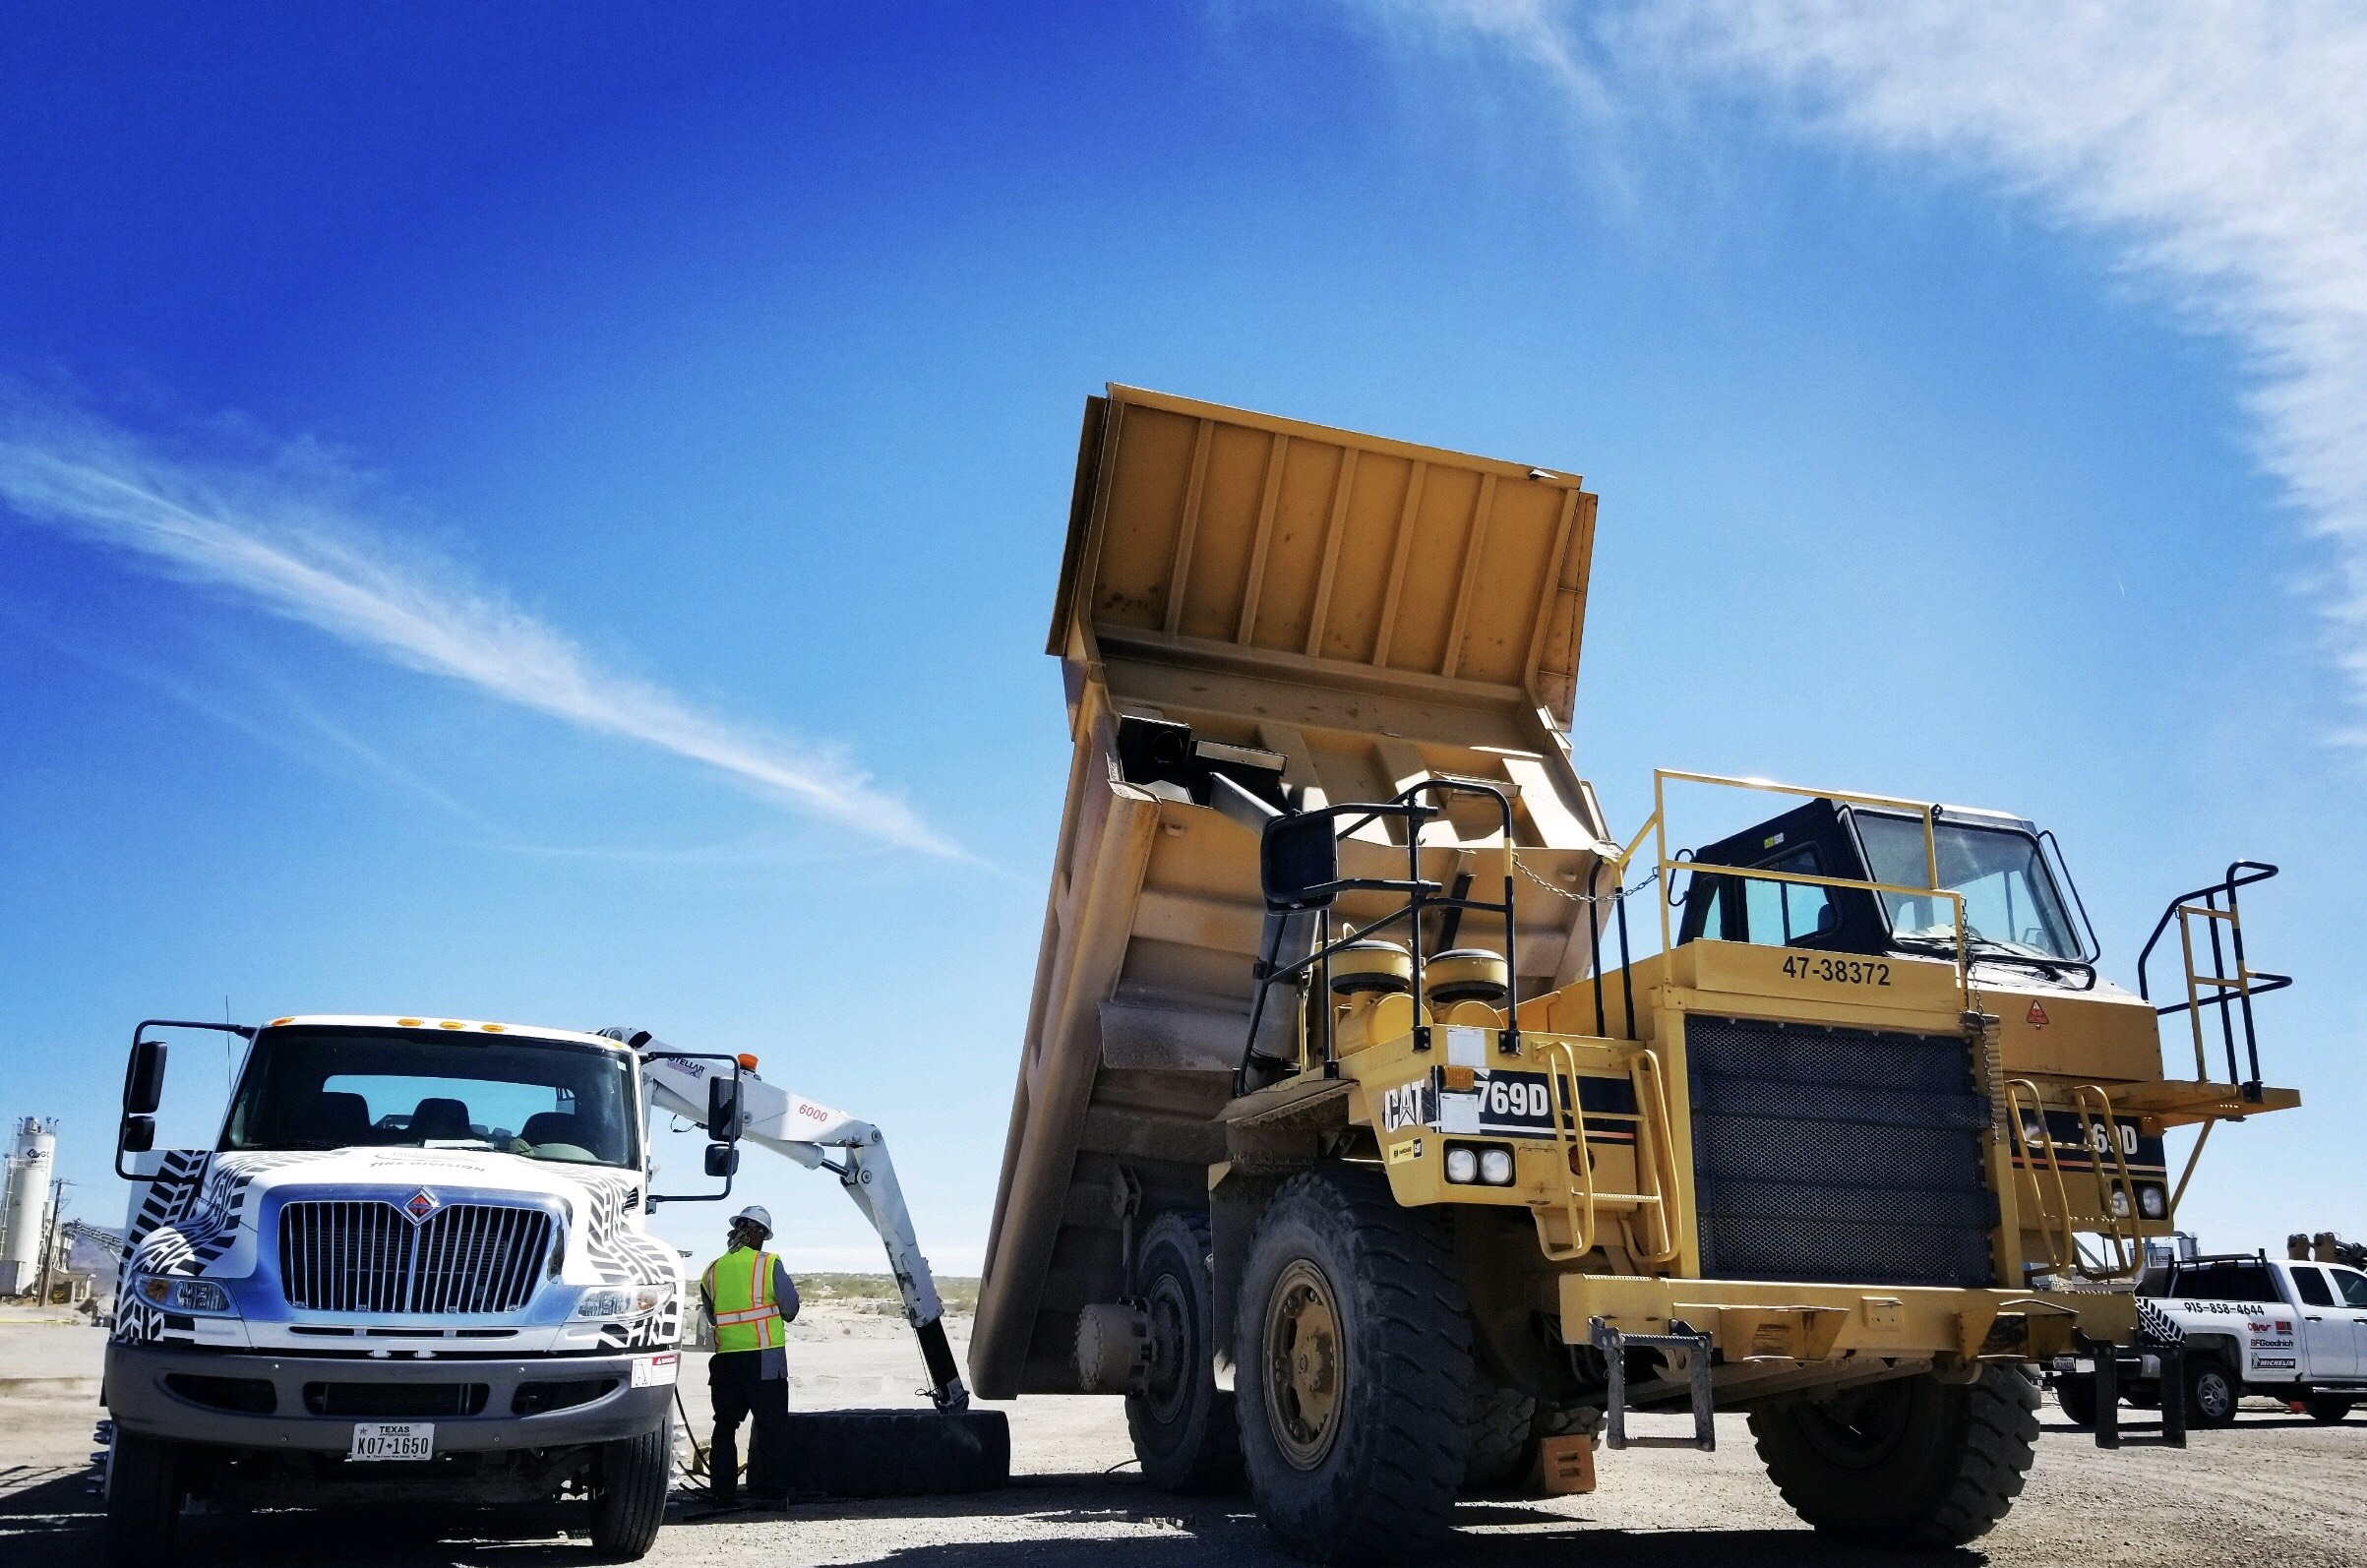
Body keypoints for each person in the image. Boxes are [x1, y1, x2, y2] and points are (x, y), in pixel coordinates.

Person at [699, 1204, 801, 1506]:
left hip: (726, 1361)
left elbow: (713, 1317)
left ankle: (722, 1491)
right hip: (764, 1358)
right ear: (756, 1233)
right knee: (772, 1427)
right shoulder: (768, 1264)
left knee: (725, 1425)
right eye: (763, 1234)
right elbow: (791, 1310)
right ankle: (772, 1492)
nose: (763, 1241)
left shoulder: (712, 1270)